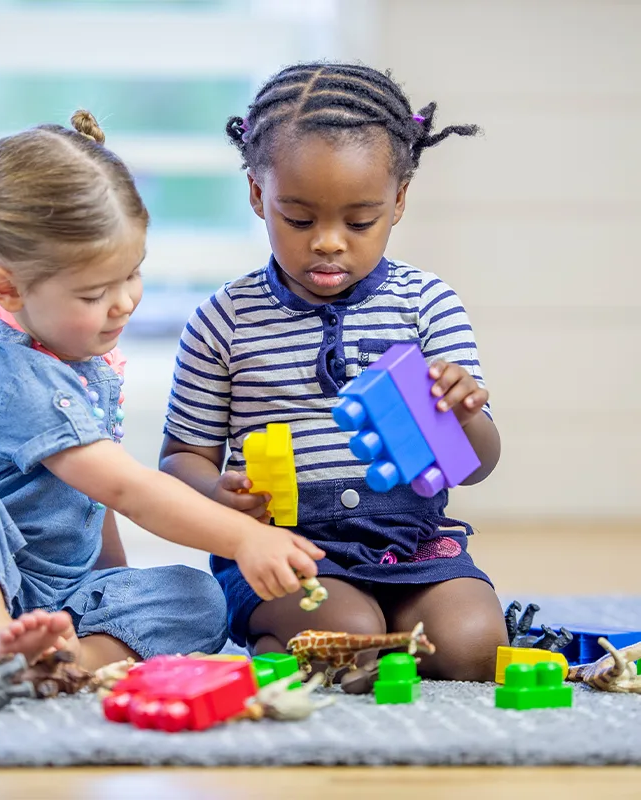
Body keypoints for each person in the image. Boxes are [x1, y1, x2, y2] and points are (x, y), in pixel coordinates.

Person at [0, 110, 323, 672]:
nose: (124, 302)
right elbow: (129, 489)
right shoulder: (19, 377)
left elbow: (95, 501)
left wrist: (114, 592)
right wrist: (244, 537)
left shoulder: (85, 364)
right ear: (8, 288)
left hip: (47, 601)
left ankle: (67, 657)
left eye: (133, 273)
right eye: (97, 291)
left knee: (202, 598)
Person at [160, 64, 508, 681]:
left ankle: (378, 633)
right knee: (349, 636)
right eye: (299, 220)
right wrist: (219, 497)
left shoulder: (427, 304)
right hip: (284, 551)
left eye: (358, 221)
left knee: (474, 645)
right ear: (257, 195)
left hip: (415, 544)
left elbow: (475, 466)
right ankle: (300, 636)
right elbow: (181, 460)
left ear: (397, 202)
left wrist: (464, 416)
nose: (327, 242)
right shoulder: (225, 319)